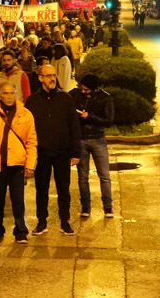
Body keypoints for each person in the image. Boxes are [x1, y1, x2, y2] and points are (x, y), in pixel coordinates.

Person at [24, 64, 81, 236]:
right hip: (42, 152)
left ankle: (65, 221)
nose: (52, 79)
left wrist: (75, 152)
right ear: (40, 78)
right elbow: (27, 128)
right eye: (48, 75)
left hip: (62, 152)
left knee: (63, 188)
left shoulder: (65, 99)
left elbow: (74, 126)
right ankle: (42, 221)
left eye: (53, 75)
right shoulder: (32, 101)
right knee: (41, 189)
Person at [0, 82, 37, 244]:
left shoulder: (25, 114)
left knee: (18, 200)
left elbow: (31, 142)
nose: (9, 96)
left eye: (12, 93)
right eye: (5, 93)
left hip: (17, 163)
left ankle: (21, 230)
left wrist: (30, 164)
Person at [69, 75, 114, 218]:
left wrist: (89, 117)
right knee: (82, 176)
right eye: (81, 88)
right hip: (81, 139)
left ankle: (108, 207)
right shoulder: (75, 94)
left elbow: (108, 120)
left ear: (94, 89)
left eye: (86, 90)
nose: (83, 91)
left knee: (104, 176)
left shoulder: (105, 98)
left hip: (97, 139)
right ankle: (85, 207)